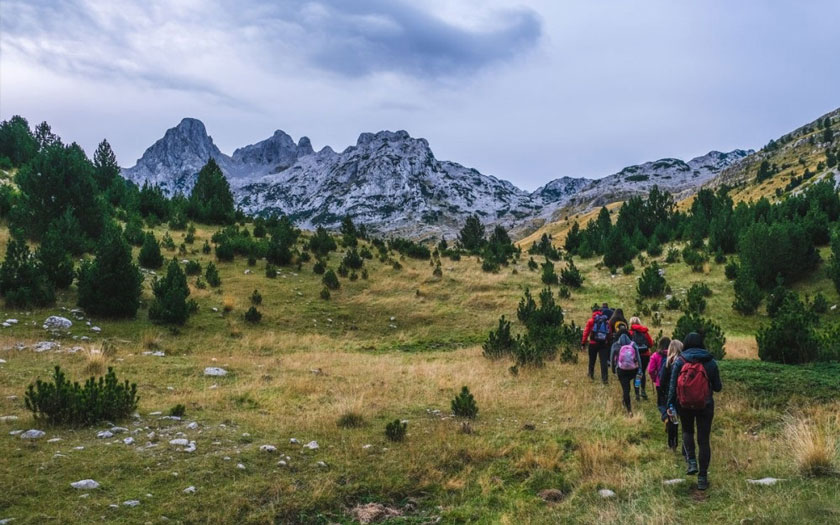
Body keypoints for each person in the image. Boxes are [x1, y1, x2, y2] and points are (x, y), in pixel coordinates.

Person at [666, 332, 722, 491]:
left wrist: (670, 405)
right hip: (705, 405)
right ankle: (703, 478)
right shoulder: (710, 361)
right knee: (704, 440)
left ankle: (691, 461)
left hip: (684, 404)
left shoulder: (680, 360)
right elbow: (718, 388)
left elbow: (672, 386)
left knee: (687, 431)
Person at [652, 338, 683, 450]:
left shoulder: (667, 364)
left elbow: (662, 379)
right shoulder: (684, 362)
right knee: (681, 419)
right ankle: (683, 444)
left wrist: (664, 393)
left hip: (670, 396)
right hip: (682, 396)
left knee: (672, 420)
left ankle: (672, 443)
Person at [610, 330, 642, 415]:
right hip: (633, 370)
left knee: (626, 389)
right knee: (635, 383)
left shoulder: (616, 345)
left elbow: (612, 358)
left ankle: (629, 409)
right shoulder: (633, 344)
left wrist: (613, 370)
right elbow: (638, 358)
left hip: (621, 370)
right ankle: (637, 394)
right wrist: (640, 369)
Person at [581, 306, 610, 384]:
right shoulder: (606, 321)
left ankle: (591, 375)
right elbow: (609, 332)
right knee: (603, 361)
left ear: (593, 312)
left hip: (593, 343)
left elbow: (586, 332)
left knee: (592, 360)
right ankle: (605, 379)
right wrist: (607, 342)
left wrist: (583, 343)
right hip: (603, 344)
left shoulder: (591, 321)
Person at [629, 316, 654, 401]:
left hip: (635, 355)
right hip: (645, 355)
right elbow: (650, 344)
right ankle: (643, 390)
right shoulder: (645, 332)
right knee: (642, 373)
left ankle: (637, 393)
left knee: (636, 374)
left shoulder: (630, 333)